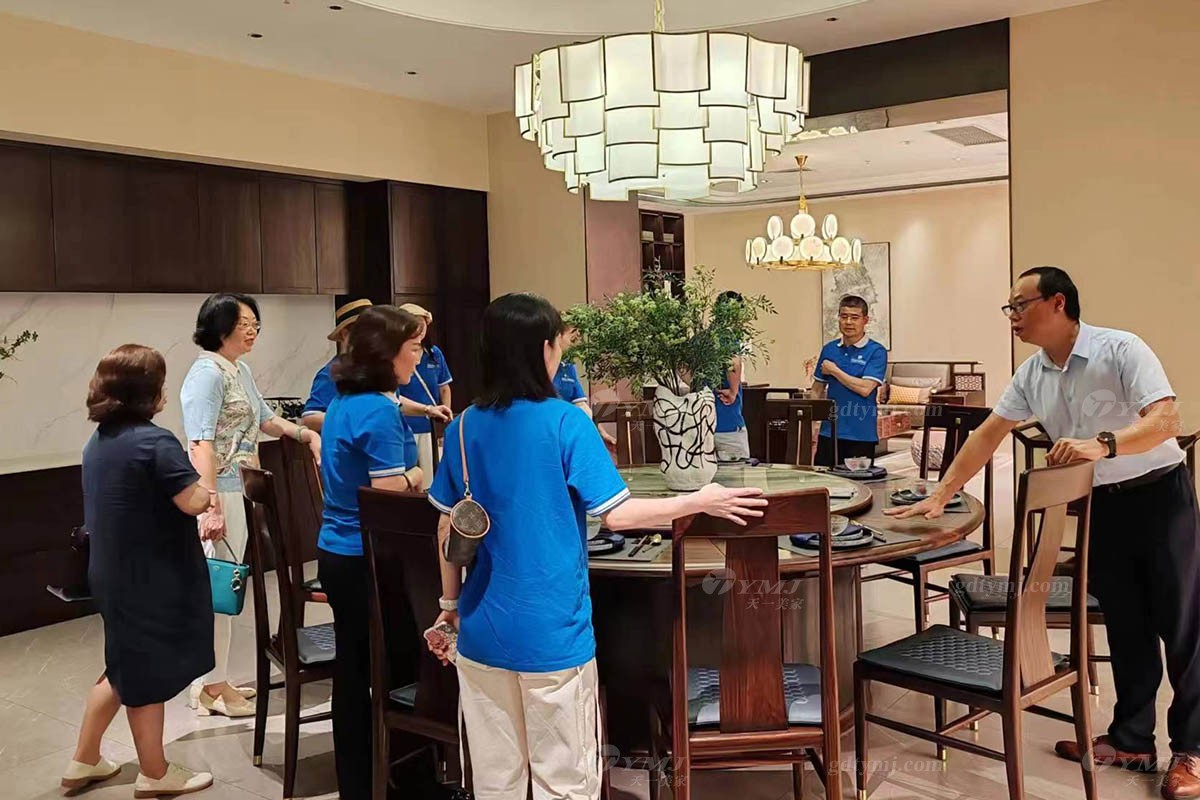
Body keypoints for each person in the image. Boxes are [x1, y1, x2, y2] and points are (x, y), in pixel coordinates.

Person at [425, 293, 767, 800]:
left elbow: (446, 528)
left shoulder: (462, 428)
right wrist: (700, 499)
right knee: (565, 782)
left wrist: (450, 605)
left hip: (480, 632)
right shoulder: (567, 423)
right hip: (553, 633)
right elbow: (619, 516)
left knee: (495, 781)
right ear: (544, 350)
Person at [886, 266, 1200, 800]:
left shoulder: (1121, 349)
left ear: (1057, 303)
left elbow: (1166, 421)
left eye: (1019, 304)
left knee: (1183, 626)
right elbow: (988, 433)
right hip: (1104, 506)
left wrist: (1103, 444)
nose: (1011, 315)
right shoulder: (1032, 373)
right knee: (1126, 625)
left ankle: (1192, 750)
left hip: (1160, 497)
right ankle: (1132, 740)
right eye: (1008, 307)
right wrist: (941, 493)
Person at [64, 345, 214, 797]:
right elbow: (193, 501)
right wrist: (207, 475)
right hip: (152, 577)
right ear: (147, 391)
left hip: (111, 572)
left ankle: (85, 759)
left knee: (123, 664)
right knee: (146, 673)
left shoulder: (98, 442)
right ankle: (155, 772)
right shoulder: (155, 441)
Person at [180, 293, 322, 718]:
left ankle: (213, 680)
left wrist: (306, 435)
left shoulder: (237, 369)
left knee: (226, 587)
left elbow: (265, 419)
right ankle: (209, 687)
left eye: (255, 323)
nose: (252, 330)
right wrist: (209, 504)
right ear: (219, 326)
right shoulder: (207, 373)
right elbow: (200, 442)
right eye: (244, 323)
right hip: (217, 491)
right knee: (220, 588)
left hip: (237, 486)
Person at [317, 305, 426, 800]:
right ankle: (407, 778)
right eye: (414, 348)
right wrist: (417, 475)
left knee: (353, 667)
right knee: (399, 662)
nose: (419, 357)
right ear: (387, 355)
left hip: (337, 550)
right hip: (369, 556)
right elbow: (387, 490)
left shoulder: (346, 401)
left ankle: (360, 781)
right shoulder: (379, 411)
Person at [810, 295, 888, 467]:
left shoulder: (876, 351)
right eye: (844, 316)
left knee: (857, 481)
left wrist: (834, 371)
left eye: (854, 317)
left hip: (861, 434)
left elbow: (865, 389)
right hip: (829, 432)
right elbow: (817, 389)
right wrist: (813, 426)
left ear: (865, 320)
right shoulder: (829, 349)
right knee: (824, 479)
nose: (848, 322)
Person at [394, 303, 454, 478]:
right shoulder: (396, 356)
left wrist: (444, 423)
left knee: (429, 476)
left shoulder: (434, 354)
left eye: (423, 324)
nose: (420, 330)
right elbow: (394, 397)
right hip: (404, 426)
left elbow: (444, 388)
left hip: (429, 426)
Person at [300, 298, 371, 433]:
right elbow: (310, 418)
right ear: (345, 334)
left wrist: (418, 409)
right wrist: (354, 421)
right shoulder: (332, 373)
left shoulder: (375, 369)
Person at [553, 328, 618, 446]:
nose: (575, 345)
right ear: (558, 336)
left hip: (567, 432)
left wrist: (599, 433)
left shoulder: (568, 366)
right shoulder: (541, 366)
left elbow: (581, 405)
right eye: (572, 339)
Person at [713, 291, 750, 461]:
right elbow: (733, 362)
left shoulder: (703, 338)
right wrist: (733, 391)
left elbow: (683, 368)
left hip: (704, 424)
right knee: (735, 474)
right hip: (728, 422)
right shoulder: (728, 336)